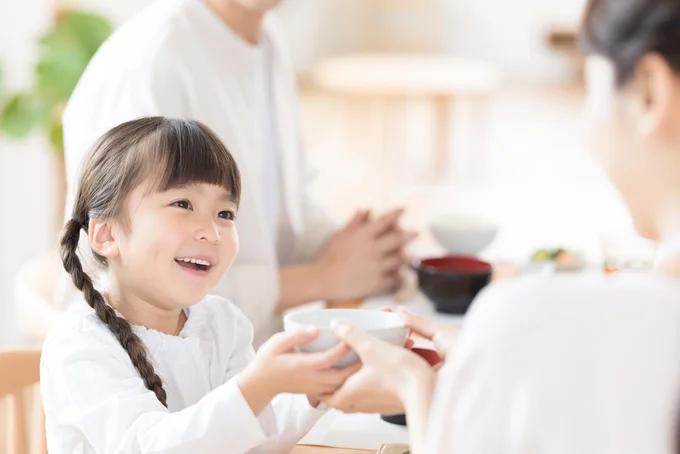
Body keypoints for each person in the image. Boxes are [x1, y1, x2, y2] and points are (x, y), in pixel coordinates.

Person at [321, 0, 680, 453]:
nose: (587, 125)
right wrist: (492, 350)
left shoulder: (530, 317)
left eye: (591, 89)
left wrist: (417, 386)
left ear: (651, 92)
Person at [58, 0, 414, 346]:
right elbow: (134, 274)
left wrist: (367, 250)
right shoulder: (152, 63)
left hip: (243, 358)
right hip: (159, 376)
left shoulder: (267, 40)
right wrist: (323, 277)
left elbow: (280, 209)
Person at [41, 117, 361, 454]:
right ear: (107, 235)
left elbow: (254, 440)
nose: (211, 231)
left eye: (225, 213)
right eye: (183, 204)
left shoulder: (222, 322)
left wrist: (313, 387)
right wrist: (255, 387)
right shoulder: (79, 345)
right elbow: (147, 446)